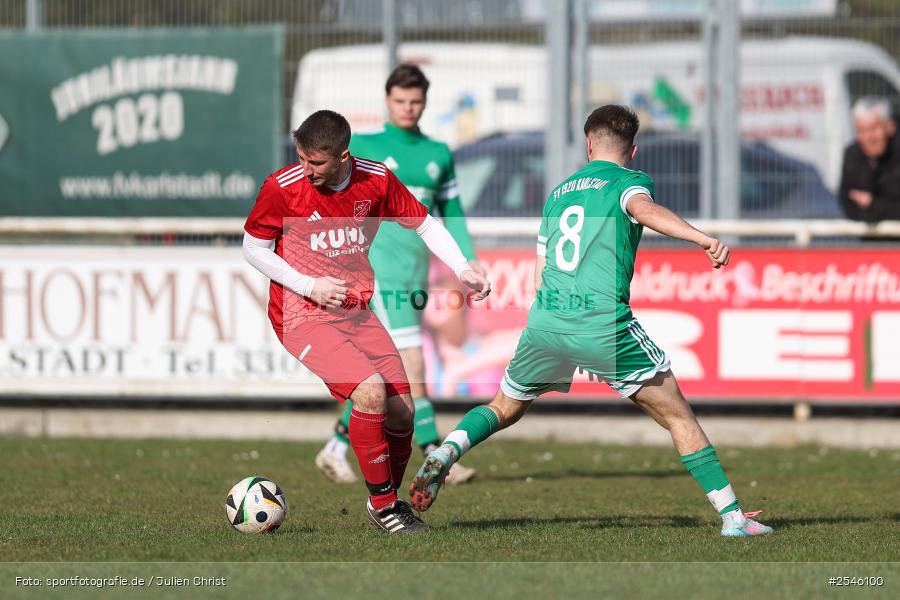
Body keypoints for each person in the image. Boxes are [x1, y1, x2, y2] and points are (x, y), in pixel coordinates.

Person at [409, 105, 773, 538]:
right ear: (633, 151)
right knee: (679, 418)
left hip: (547, 322)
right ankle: (733, 518)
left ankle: (447, 451)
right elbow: (643, 209)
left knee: (504, 407)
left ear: (588, 144)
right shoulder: (628, 182)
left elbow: (541, 274)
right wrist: (701, 238)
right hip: (602, 324)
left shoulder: (559, 193)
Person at [242, 109, 490, 534]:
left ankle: (385, 499)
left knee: (403, 413)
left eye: (316, 162)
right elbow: (253, 248)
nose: (306, 169)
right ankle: (385, 506)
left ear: (343, 156)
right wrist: (309, 285)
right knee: (371, 393)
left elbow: (425, 223)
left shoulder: (375, 180)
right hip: (302, 315)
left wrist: (462, 267)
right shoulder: (282, 187)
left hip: (356, 312)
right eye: (301, 158)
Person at [315, 64, 482, 485]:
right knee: (412, 365)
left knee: (386, 373)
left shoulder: (438, 153)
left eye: (415, 101)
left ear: (425, 103)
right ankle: (437, 459)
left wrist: (467, 260)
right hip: (378, 274)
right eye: (400, 100)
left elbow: (452, 212)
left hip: (415, 275)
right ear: (387, 100)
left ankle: (334, 448)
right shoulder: (364, 146)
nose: (408, 107)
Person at [839, 96, 900, 223]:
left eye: (874, 128)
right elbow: (847, 204)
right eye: (861, 130)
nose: (869, 137)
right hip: (866, 234)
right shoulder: (852, 155)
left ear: (890, 126)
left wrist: (872, 203)